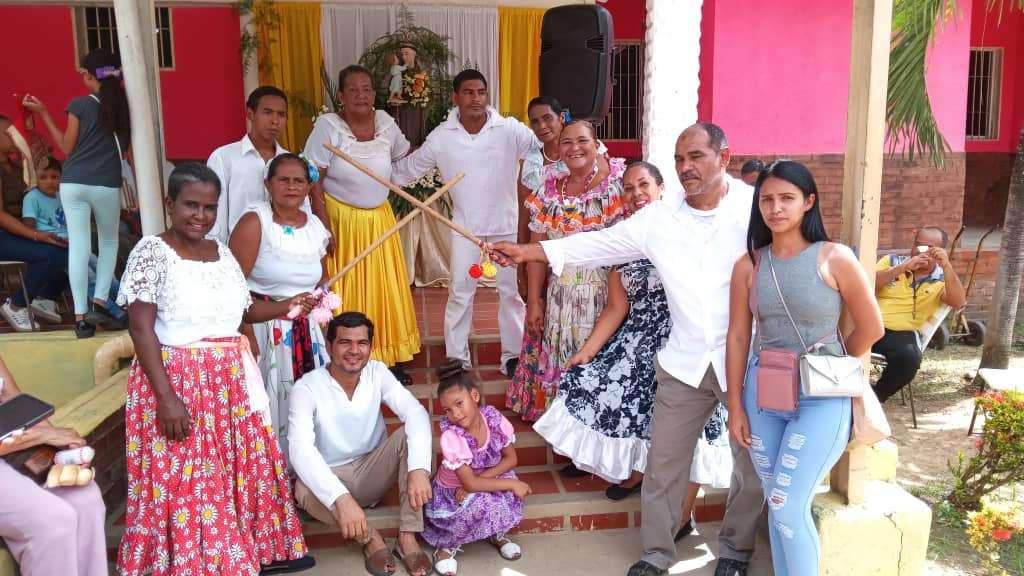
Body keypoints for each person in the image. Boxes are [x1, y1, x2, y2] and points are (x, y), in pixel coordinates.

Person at [488, 123, 766, 576]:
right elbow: (594, 244)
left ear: (725, 157)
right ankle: (656, 554)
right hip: (684, 362)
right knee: (662, 466)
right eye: (679, 160)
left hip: (745, 359)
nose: (685, 168)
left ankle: (734, 552)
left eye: (695, 157)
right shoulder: (658, 218)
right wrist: (527, 253)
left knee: (748, 464)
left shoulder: (755, 208)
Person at [115, 163, 312, 576]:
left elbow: (244, 311)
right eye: (190, 205)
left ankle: (244, 549)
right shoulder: (152, 252)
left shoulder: (221, 252)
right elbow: (141, 327)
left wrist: (290, 304)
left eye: (209, 207)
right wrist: (166, 398)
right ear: (169, 204)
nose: (200, 216)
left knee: (235, 468)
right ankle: (196, 560)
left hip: (228, 379)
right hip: (178, 379)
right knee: (189, 476)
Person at [532, 162, 733, 534]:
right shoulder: (623, 240)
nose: (636, 194)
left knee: (696, 432)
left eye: (644, 185)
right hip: (637, 342)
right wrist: (588, 351)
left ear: (661, 188)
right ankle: (637, 475)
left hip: (686, 343)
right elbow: (616, 307)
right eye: (628, 188)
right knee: (627, 408)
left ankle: (682, 515)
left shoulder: (682, 229)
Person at [725, 160, 884, 576]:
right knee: (778, 500)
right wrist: (734, 407)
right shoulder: (749, 265)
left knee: (784, 502)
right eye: (767, 199)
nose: (776, 208)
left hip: (822, 400)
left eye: (787, 198)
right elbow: (739, 337)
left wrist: (830, 364)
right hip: (761, 396)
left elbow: (872, 327)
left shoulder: (834, 257)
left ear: (809, 201)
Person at [393, 69, 538, 378]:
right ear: (455, 97)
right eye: (469, 92)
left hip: (507, 227)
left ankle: (512, 356)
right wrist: (373, 172)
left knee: (510, 293)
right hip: (465, 230)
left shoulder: (510, 130)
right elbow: (409, 169)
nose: (476, 98)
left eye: (481, 92)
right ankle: (457, 358)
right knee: (460, 292)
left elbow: (542, 151)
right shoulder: (442, 137)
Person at [289, 312, 433, 576]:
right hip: (332, 478)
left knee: (412, 435)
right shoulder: (307, 387)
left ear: (370, 347)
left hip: (372, 470)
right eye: (345, 342)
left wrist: (418, 470)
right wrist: (340, 497)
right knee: (302, 490)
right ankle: (370, 539)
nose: (354, 351)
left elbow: (415, 413)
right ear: (330, 346)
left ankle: (408, 536)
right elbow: (300, 450)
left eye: (362, 343)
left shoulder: (377, 372)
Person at [303, 65, 420, 385]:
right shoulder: (328, 127)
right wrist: (324, 225)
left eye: (366, 89)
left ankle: (386, 358)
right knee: (349, 291)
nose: (361, 95)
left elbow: (401, 158)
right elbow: (312, 178)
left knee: (384, 290)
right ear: (341, 96)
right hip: (342, 221)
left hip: (380, 219)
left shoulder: (385, 122)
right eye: (352, 90)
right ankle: (347, 360)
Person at [506, 121, 624, 425]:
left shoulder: (617, 187)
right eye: (566, 142)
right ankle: (568, 432)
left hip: (607, 298)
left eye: (582, 140)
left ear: (596, 144)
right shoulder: (548, 191)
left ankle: (596, 434)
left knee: (599, 365)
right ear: (558, 150)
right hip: (560, 301)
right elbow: (537, 252)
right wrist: (534, 300)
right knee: (564, 362)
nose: (574, 148)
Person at [229, 153, 332, 465]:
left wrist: (325, 324)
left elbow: (323, 280)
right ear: (267, 184)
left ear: (307, 186)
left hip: (307, 332)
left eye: (298, 180)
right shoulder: (254, 222)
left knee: (308, 406)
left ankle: (306, 474)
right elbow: (232, 287)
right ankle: (273, 480)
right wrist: (248, 337)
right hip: (265, 329)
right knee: (272, 407)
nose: (291, 186)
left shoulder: (315, 226)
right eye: (283, 180)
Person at [22, 48, 129, 338]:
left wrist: (43, 113)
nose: (80, 75)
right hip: (106, 183)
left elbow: (66, 148)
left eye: (83, 71)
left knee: (79, 246)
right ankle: (100, 302)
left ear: (90, 74)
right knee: (108, 241)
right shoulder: (124, 106)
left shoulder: (80, 104)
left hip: (73, 183)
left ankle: (81, 319)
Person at [0, 355, 107, 576]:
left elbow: (14, 400)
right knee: (52, 518)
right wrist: (42, 436)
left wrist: (59, 444)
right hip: (7, 450)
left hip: (11, 450)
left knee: (86, 498)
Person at [424, 362, 530, 576]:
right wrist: (509, 483)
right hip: (453, 492)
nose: (455, 413)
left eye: (459, 403)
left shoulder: (491, 418)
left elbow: (511, 459)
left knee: (504, 489)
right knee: (484, 500)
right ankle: (446, 546)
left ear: (475, 396)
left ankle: (496, 533)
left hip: (480, 478)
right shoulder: (452, 436)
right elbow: (469, 483)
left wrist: (492, 482)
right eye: (447, 409)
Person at [22, 156, 127, 326]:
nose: (50, 182)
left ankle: (126, 302)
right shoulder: (31, 198)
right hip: (54, 246)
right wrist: (49, 240)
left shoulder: (63, 195)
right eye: (43, 177)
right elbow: (30, 228)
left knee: (105, 272)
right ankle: (116, 314)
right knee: (91, 277)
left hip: (74, 244)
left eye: (55, 177)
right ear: (35, 178)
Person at [872, 226, 965, 403]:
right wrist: (902, 267)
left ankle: (875, 397)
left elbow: (958, 302)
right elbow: (868, 283)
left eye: (929, 248)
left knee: (909, 359)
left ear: (939, 252)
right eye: (918, 245)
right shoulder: (892, 261)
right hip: (871, 325)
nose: (920, 251)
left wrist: (946, 265)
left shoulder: (941, 278)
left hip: (901, 335)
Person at [0, 116, 68, 332]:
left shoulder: (20, 166)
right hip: (3, 233)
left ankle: (42, 298)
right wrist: (37, 235)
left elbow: (44, 173)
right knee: (49, 253)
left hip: (18, 230)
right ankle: (16, 303)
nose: (14, 136)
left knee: (66, 249)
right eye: (8, 132)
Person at [207, 85, 291, 242]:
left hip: (280, 253)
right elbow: (216, 214)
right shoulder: (224, 158)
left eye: (281, 114)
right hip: (236, 254)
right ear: (250, 114)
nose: (275, 121)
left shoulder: (291, 162)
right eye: (267, 112)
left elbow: (300, 209)